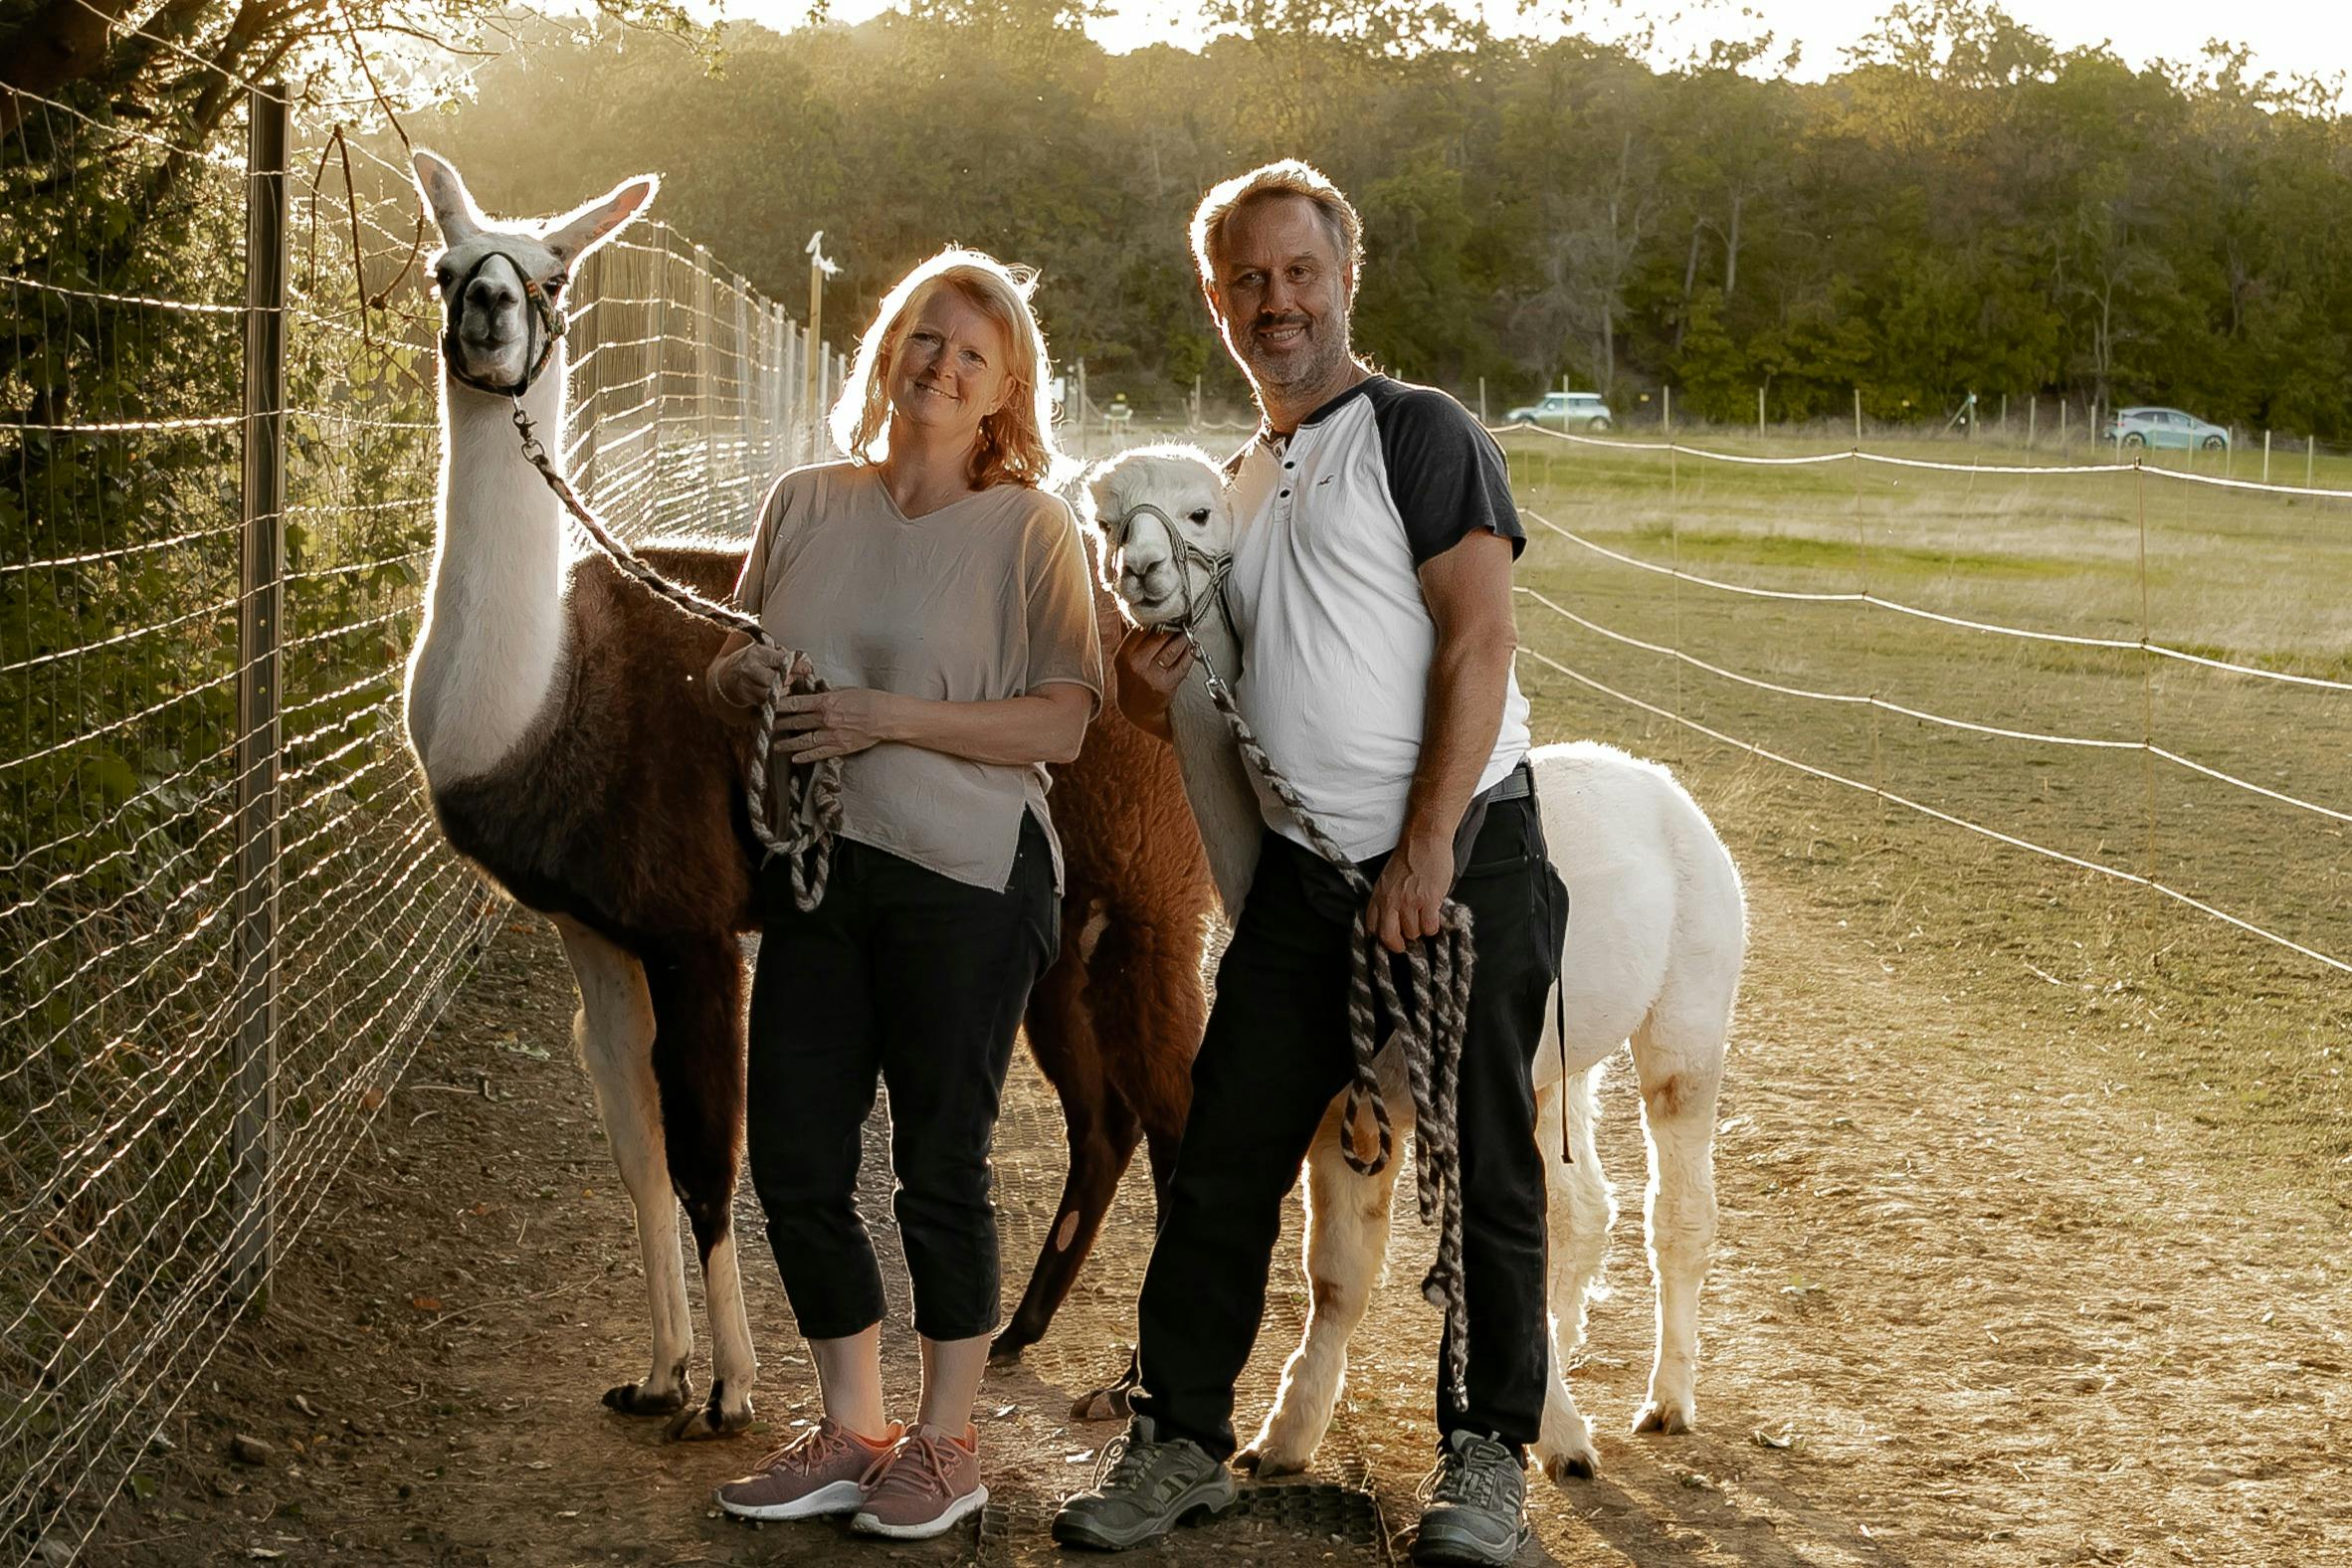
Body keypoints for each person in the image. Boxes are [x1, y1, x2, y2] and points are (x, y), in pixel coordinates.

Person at [1051, 163, 1565, 1567]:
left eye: (1298, 272)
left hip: (1460, 857)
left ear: (1345, 278)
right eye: (1248, 280)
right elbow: (1223, 694)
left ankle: (1484, 1463)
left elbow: (1479, 638)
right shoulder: (1234, 488)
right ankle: (1180, 1441)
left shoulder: (1422, 433)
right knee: (1223, 1157)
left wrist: (1426, 845)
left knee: (1483, 1165)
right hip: (1305, 881)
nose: (1275, 300)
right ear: (1217, 301)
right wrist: (1147, 691)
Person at [704, 248, 1100, 1541]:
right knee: (796, 1156)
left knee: (939, 1163)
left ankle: (948, 1444)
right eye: (925, 337)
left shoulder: (1031, 529)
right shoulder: (805, 503)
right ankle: (852, 1430)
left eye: (973, 353)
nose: (941, 365)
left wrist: (885, 716)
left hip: (970, 878)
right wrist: (748, 683)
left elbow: (1062, 724)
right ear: (887, 349)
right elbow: (737, 662)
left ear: (1005, 390)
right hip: (822, 869)